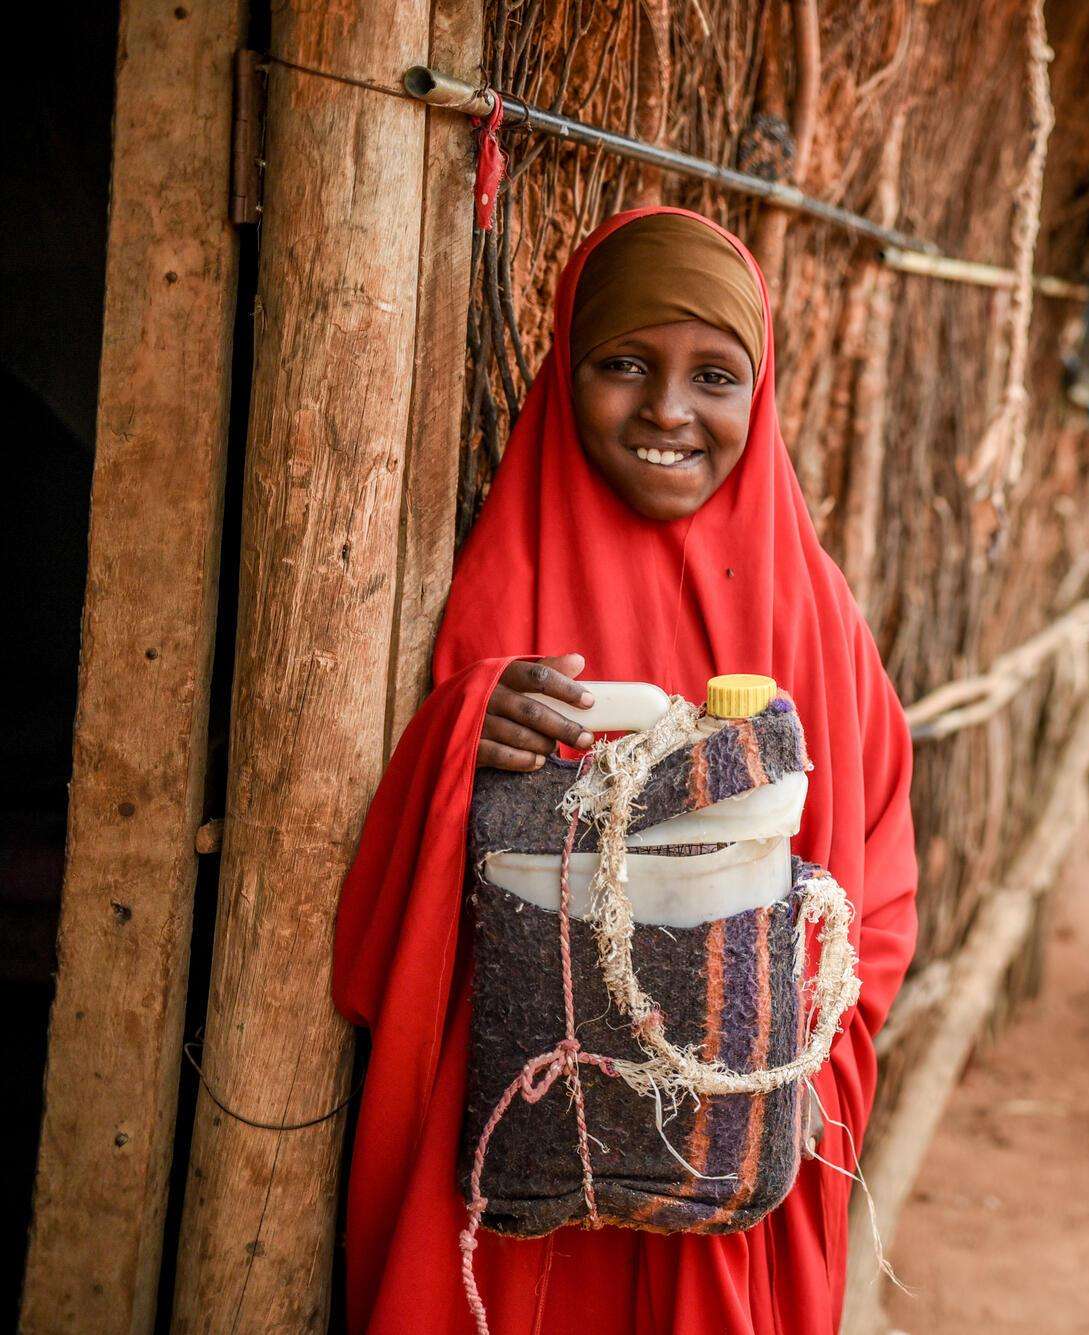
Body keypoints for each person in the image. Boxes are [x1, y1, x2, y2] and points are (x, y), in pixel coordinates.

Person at [331, 208, 919, 1333]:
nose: (667, 409)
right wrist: (461, 740)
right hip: (512, 1130)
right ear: (565, 370)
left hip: (734, 1145)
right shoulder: (495, 593)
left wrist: (804, 1057)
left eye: (714, 375)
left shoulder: (818, 622)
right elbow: (365, 932)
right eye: (623, 365)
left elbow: (878, 871)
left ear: (762, 395)